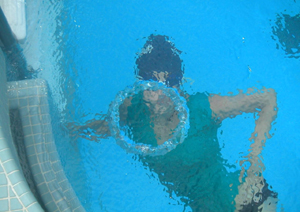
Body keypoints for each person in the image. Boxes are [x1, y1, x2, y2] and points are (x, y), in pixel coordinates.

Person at [70, 34, 279, 211]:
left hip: (243, 199)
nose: (160, 95)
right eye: (151, 85)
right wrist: (72, 131)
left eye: (169, 83)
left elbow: (267, 98)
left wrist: (254, 161)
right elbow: (107, 126)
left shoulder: (203, 108)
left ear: (179, 82)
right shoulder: (132, 108)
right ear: (141, 83)